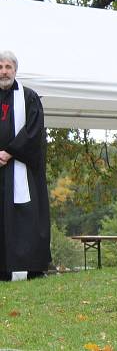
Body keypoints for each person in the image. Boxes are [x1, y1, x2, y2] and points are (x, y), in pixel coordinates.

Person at [0, 51, 51, 281]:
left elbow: (34, 131)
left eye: (8, 67)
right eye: (0, 67)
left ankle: (34, 267)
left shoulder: (28, 97)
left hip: (22, 167)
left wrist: (9, 152)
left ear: (15, 70)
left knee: (27, 217)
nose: (4, 71)